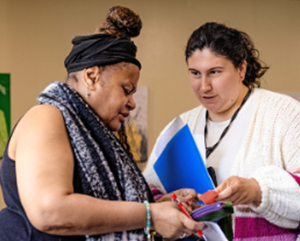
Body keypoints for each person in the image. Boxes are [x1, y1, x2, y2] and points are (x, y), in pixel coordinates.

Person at [0, 6, 204, 241]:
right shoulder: (46, 116)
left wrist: (162, 205)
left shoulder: (99, 138)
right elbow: (49, 211)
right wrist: (150, 214)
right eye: (126, 90)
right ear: (91, 76)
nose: (132, 103)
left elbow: (105, 207)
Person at [143, 22, 300, 240]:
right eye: (195, 73)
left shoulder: (284, 114)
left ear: (241, 69)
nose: (204, 86)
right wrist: (169, 201)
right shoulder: (181, 127)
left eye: (214, 72)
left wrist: (257, 190)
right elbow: (147, 193)